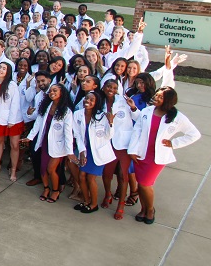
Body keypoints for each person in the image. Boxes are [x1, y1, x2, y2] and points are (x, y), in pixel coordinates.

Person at [128, 87, 201, 224]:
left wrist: (174, 143)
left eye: (160, 97)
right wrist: (132, 150)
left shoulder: (177, 117)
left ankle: (150, 210)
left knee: (144, 184)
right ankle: (143, 209)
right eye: (156, 95)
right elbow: (137, 130)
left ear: (168, 101)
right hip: (141, 154)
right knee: (141, 183)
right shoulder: (147, 111)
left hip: (157, 157)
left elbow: (194, 134)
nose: (156, 98)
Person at [23, 84, 74, 203]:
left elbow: (68, 133)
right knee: (43, 168)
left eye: (55, 90)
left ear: (62, 93)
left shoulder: (66, 111)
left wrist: (69, 152)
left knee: (51, 169)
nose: (52, 93)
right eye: (50, 91)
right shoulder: (46, 106)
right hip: (45, 141)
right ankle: (46, 188)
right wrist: (30, 137)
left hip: (58, 144)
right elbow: (38, 124)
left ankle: (55, 191)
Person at [99, 78, 139, 220]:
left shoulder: (124, 101)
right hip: (107, 143)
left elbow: (138, 117)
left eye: (115, 87)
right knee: (107, 173)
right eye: (109, 87)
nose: (111, 89)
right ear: (103, 87)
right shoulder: (99, 101)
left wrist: (133, 107)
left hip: (123, 144)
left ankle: (121, 204)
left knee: (123, 176)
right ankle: (108, 194)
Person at [73, 92, 115, 213]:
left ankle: (94, 204)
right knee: (81, 176)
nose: (88, 101)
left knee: (91, 178)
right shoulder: (77, 114)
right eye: (87, 98)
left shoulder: (102, 116)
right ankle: (86, 200)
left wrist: (111, 123)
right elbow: (78, 135)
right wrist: (81, 152)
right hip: (85, 150)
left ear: (97, 103)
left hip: (98, 152)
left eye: (92, 100)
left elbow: (108, 136)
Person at [0, 61, 23, 181]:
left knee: (14, 145)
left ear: (8, 72)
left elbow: (15, 103)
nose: (0, 70)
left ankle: (13, 170)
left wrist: (11, 121)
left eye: (4, 68)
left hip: (12, 119)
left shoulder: (12, 85)